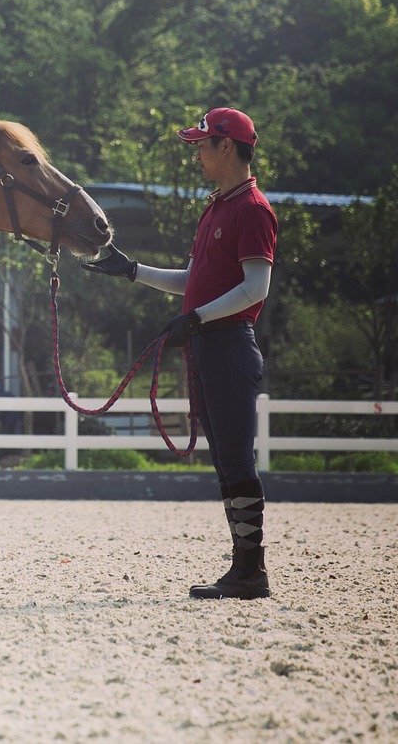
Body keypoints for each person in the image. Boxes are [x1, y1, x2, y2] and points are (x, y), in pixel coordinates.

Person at [85, 107, 276, 600]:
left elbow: (256, 288)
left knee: (237, 460)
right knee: (226, 463)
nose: (196, 153)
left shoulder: (253, 209)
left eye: (202, 145)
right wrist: (133, 271)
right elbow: (193, 282)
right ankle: (244, 569)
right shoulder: (216, 207)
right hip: (209, 347)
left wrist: (195, 319)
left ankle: (251, 571)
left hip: (230, 346)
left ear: (226, 147)